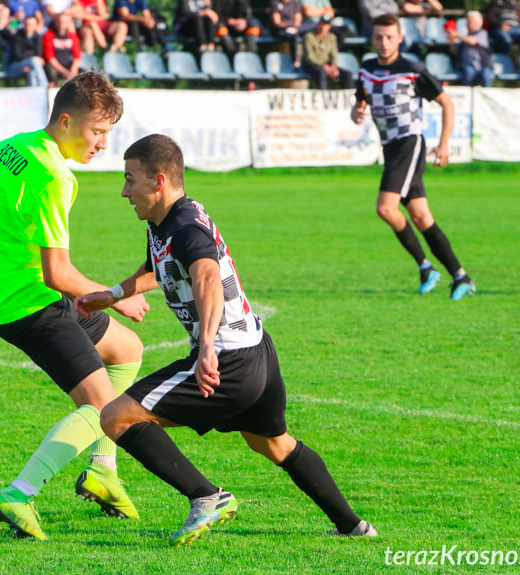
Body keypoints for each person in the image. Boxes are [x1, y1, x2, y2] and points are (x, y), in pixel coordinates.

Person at [74, 134, 377, 546]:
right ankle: (353, 525)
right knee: (274, 444)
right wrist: (112, 295)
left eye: (130, 180)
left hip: (228, 359)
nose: (124, 191)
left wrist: (205, 349)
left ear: (159, 180)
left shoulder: (183, 227)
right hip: (257, 351)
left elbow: (207, 276)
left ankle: (206, 497)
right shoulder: (164, 222)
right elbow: (158, 267)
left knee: (116, 416)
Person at [0, 71, 148, 541]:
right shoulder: (54, 176)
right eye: (97, 132)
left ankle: (103, 471)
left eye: (108, 134)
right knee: (105, 407)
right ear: (66, 122)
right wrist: (117, 295)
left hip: (6, 297)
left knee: (127, 350)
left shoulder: (16, 146)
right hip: (34, 305)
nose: (103, 145)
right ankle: (19, 493)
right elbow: (59, 276)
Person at [351, 13, 475, 300]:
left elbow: (447, 103)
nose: (384, 42)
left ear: (400, 38)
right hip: (390, 147)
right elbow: (359, 104)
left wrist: (444, 144)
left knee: (385, 208)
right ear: (372, 39)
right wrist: (356, 112)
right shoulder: (367, 69)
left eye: (390, 37)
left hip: (409, 144)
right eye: (379, 37)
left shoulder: (412, 69)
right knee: (420, 216)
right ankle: (460, 276)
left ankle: (425, 267)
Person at [302, 18, 354, 89]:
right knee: (322, 72)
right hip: (311, 65)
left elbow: (334, 55)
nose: (323, 27)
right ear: (317, 24)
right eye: (322, 24)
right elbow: (309, 57)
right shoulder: (309, 36)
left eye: (325, 24)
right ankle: (323, 96)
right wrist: (323, 66)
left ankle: (349, 96)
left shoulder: (332, 37)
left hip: (327, 65)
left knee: (348, 74)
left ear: (329, 26)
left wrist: (333, 66)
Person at [447, 10, 494, 87]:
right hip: (469, 66)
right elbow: (455, 52)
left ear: (477, 23)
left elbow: (472, 41)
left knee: (486, 76)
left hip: (484, 65)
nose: (467, 24)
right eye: (468, 22)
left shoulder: (483, 33)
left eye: (470, 22)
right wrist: (451, 42)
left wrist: (456, 35)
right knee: (468, 76)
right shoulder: (465, 36)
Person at [2, 13, 49, 86]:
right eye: (26, 24)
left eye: (30, 25)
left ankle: (34, 93)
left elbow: (39, 54)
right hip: (15, 66)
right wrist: (32, 57)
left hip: (31, 65)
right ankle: (45, 85)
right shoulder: (17, 36)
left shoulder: (37, 37)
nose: (27, 27)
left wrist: (30, 62)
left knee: (32, 71)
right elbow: (17, 55)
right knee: (34, 61)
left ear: (35, 26)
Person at [43, 13, 82, 84]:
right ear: (56, 22)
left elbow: (77, 56)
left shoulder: (72, 36)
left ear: (68, 23)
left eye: (64, 22)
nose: (61, 24)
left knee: (82, 70)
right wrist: (64, 71)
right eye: (59, 22)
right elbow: (49, 57)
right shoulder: (49, 35)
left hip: (69, 65)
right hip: (55, 67)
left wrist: (72, 70)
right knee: (50, 69)